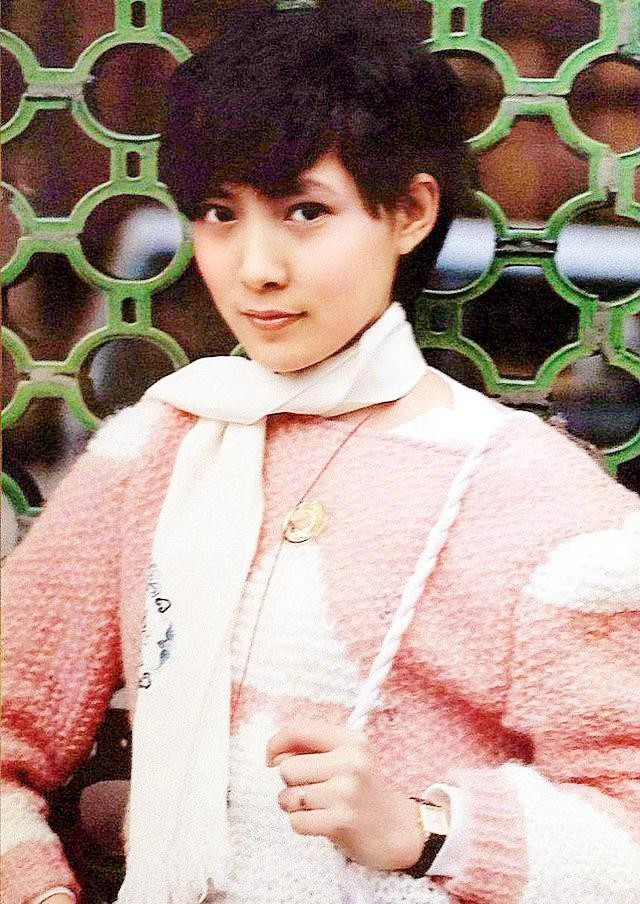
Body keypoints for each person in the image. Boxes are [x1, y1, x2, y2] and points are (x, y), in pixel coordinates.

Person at [2, 3, 639, 904]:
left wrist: (428, 831)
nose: (254, 267)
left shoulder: (528, 495)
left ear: (410, 212)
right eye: (219, 214)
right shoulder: (160, 445)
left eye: (305, 211)